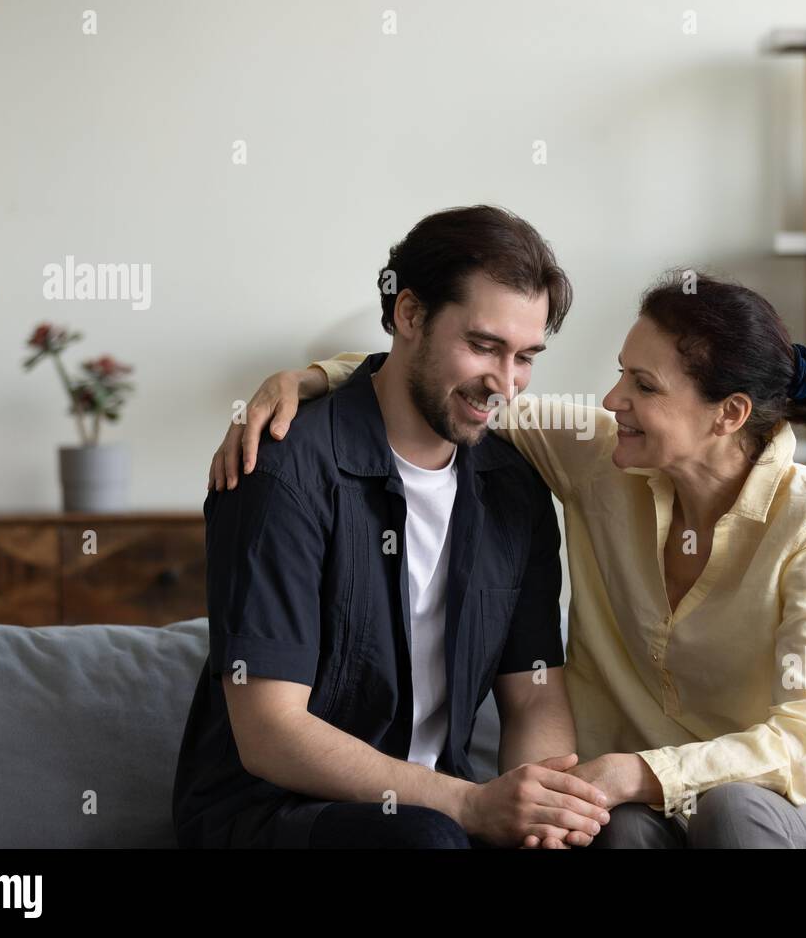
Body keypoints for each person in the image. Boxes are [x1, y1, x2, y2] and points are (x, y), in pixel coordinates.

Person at [213, 271, 806, 849]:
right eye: (619, 375)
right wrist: (309, 380)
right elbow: (462, 394)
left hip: (797, 815)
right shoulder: (604, 460)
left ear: (728, 415)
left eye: (644, 386)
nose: (612, 402)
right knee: (615, 833)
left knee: (732, 812)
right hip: (646, 811)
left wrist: (637, 773)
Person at [172, 205, 614, 849]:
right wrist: (471, 805)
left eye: (526, 357)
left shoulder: (514, 488)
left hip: (442, 813)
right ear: (409, 314)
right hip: (276, 816)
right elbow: (270, 732)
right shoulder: (283, 472)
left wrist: (538, 815)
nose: (505, 383)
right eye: (483, 345)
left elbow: (535, 695)